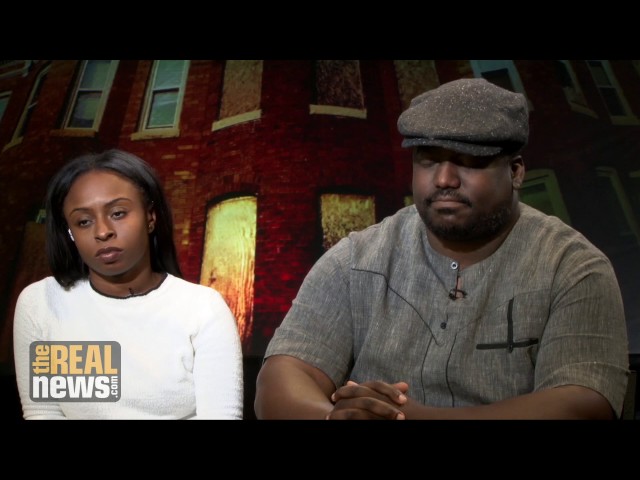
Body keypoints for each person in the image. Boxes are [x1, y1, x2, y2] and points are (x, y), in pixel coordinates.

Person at [254, 78, 630, 420]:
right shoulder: (357, 260)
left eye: (469, 162)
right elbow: (283, 378)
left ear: (515, 172)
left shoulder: (573, 267)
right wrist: (336, 418)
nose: (445, 179)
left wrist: (410, 419)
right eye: (429, 160)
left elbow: (583, 404)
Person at [13, 149, 243, 419]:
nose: (102, 232)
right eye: (83, 221)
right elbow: (43, 413)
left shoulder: (203, 308)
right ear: (70, 233)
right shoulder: (41, 303)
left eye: (118, 213)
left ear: (150, 217)